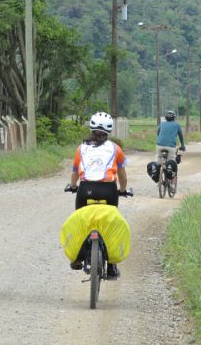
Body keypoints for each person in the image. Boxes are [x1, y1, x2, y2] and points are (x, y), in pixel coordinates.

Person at [69, 111, 128, 279]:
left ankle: (77, 258)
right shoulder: (116, 149)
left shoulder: (81, 148)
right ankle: (111, 267)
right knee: (110, 225)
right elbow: (122, 176)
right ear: (109, 130)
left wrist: (73, 186)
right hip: (109, 190)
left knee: (80, 221)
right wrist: (123, 190)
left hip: (85, 188)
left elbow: (75, 173)